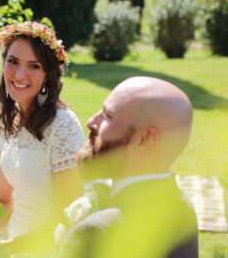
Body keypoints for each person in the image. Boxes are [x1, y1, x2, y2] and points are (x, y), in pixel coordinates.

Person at [54, 76, 198, 258]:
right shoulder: (181, 206)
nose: (91, 121)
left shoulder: (97, 229)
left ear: (144, 139)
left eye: (108, 116)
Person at [0, 22, 85, 254]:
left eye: (33, 66)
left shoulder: (64, 126)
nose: (20, 74)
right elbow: (4, 201)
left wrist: (10, 249)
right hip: (13, 244)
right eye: (13, 62)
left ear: (47, 76)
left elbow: (71, 218)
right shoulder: (6, 118)